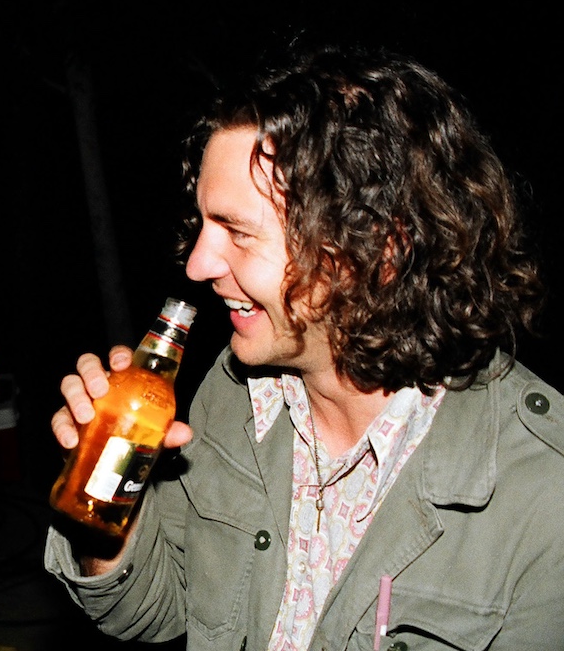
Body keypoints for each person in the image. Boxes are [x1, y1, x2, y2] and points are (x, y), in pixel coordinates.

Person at [45, 44, 564, 649]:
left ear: (377, 251)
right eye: (204, 226)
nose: (197, 264)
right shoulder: (235, 397)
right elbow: (155, 611)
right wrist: (102, 501)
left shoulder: (542, 496)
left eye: (238, 232)